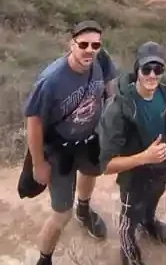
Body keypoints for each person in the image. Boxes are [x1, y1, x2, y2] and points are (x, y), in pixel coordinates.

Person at [24, 19, 118, 265]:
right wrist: (38, 164)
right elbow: (34, 124)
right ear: (71, 44)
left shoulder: (101, 59)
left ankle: (84, 209)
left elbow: (110, 85)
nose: (90, 50)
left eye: (95, 45)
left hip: (89, 140)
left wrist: (109, 113)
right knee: (61, 213)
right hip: (59, 149)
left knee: (90, 172)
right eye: (83, 44)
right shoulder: (51, 80)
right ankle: (44, 259)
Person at [98, 42, 166, 265]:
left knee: (152, 199)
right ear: (137, 69)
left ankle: (149, 221)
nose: (152, 75)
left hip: (161, 167)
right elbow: (105, 165)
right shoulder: (119, 108)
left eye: (158, 69)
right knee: (129, 215)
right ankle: (128, 246)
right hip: (134, 174)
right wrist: (145, 157)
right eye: (146, 69)